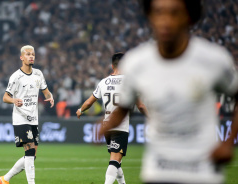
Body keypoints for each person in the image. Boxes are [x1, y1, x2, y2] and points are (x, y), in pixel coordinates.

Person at [98, 0, 238, 184]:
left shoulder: (214, 60)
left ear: (190, 17)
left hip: (201, 171)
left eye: (174, 12)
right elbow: (124, 107)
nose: (166, 20)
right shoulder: (136, 63)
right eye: (159, 12)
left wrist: (228, 143)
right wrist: (102, 128)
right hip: (158, 170)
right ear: (150, 17)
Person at [76, 52, 148, 184]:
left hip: (107, 127)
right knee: (114, 160)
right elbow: (141, 106)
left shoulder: (103, 82)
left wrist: (80, 110)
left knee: (117, 161)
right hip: (120, 127)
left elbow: (89, 103)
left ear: (112, 65)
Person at [0, 45, 54, 184]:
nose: (31, 56)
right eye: (28, 54)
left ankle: (5, 179)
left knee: (32, 156)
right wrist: (13, 100)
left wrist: (50, 96)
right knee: (29, 153)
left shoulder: (38, 74)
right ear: (22, 57)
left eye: (33, 54)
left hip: (34, 118)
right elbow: (5, 97)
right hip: (20, 118)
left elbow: (45, 91)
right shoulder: (16, 77)